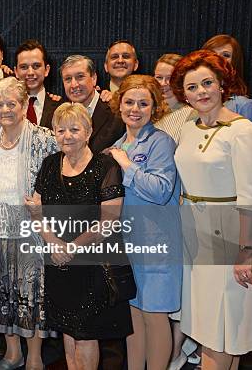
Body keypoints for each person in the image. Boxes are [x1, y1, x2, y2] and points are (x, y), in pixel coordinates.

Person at [171, 50, 252, 370]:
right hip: (195, 236)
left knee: (219, 335)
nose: (201, 92)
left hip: (231, 239)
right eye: (192, 87)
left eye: (207, 82)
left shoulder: (243, 131)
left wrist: (246, 251)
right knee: (219, 334)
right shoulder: (189, 128)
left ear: (223, 84)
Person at [28, 103, 133, 370]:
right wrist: (54, 244)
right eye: (61, 130)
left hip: (92, 264)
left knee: (85, 334)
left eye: (75, 129)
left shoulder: (105, 165)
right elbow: (36, 210)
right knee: (67, 329)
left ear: (88, 132)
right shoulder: (50, 164)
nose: (67, 135)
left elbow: (109, 220)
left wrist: (71, 248)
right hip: (58, 261)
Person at [0, 77, 58, 370]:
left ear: (25, 105)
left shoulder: (44, 138)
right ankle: (12, 353)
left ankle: (35, 358)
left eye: (12, 103)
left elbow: (56, 181)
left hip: (31, 228)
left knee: (30, 292)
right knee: (3, 291)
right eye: (0, 104)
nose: (5, 109)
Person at [105, 75, 182, 370]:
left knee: (155, 314)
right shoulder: (119, 143)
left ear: (154, 108)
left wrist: (127, 165)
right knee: (134, 315)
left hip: (157, 241)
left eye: (143, 103)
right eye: (129, 102)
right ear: (119, 104)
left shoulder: (161, 142)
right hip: (129, 241)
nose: (135, 108)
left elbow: (161, 191)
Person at [56, 55, 125, 153]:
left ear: (94, 78)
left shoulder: (117, 112)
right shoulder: (57, 114)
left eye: (80, 77)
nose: (74, 84)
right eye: (68, 79)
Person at [202, 34, 252, 125]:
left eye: (226, 55)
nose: (218, 58)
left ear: (235, 61)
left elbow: (248, 138)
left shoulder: (242, 105)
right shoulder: (194, 100)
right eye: (212, 54)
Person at [153, 54, 197, 144]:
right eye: (159, 77)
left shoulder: (192, 114)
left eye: (169, 78)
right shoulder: (147, 109)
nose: (163, 83)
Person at [14, 39, 58, 129]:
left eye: (36, 66)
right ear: (16, 72)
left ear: (47, 70)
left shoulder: (60, 107)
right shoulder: (7, 107)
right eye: (24, 67)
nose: (30, 72)